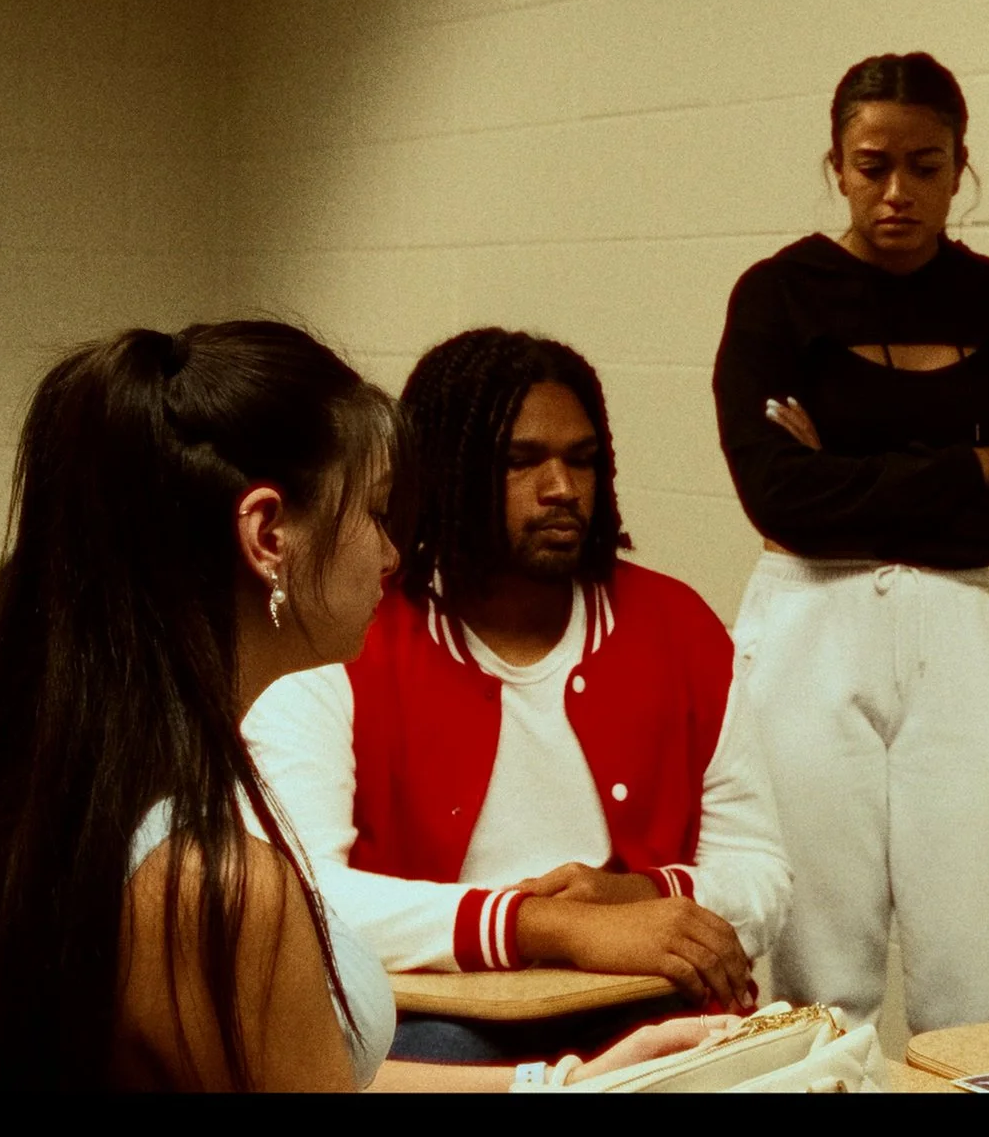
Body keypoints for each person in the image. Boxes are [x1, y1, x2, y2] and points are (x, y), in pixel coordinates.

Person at [0, 322, 721, 1090]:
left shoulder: (103, 778)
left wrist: (564, 1086)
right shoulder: (215, 884)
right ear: (269, 534)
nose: (393, 551)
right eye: (378, 512)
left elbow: (315, 1072)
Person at [246, 327, 788, 1060]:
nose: (562, 488)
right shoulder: (345, 635)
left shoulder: (676, 625)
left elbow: (762, 877)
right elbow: (303, 894)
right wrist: (539, 922)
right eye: (521, 462)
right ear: (443, 474)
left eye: (583, 460)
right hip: (434, 1022)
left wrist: (643, 895)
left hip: (643, 1001)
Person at [710, 51, 989, 1032]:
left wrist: (847, 470)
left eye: (925, 164)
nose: (898, 192)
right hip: (808, 618)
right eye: (873, 164)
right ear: (835, 161)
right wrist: (965, 464)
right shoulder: (777, 296)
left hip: (958, 622)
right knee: (820, 949)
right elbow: (780, 498)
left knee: (978, 946)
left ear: (961, 166)